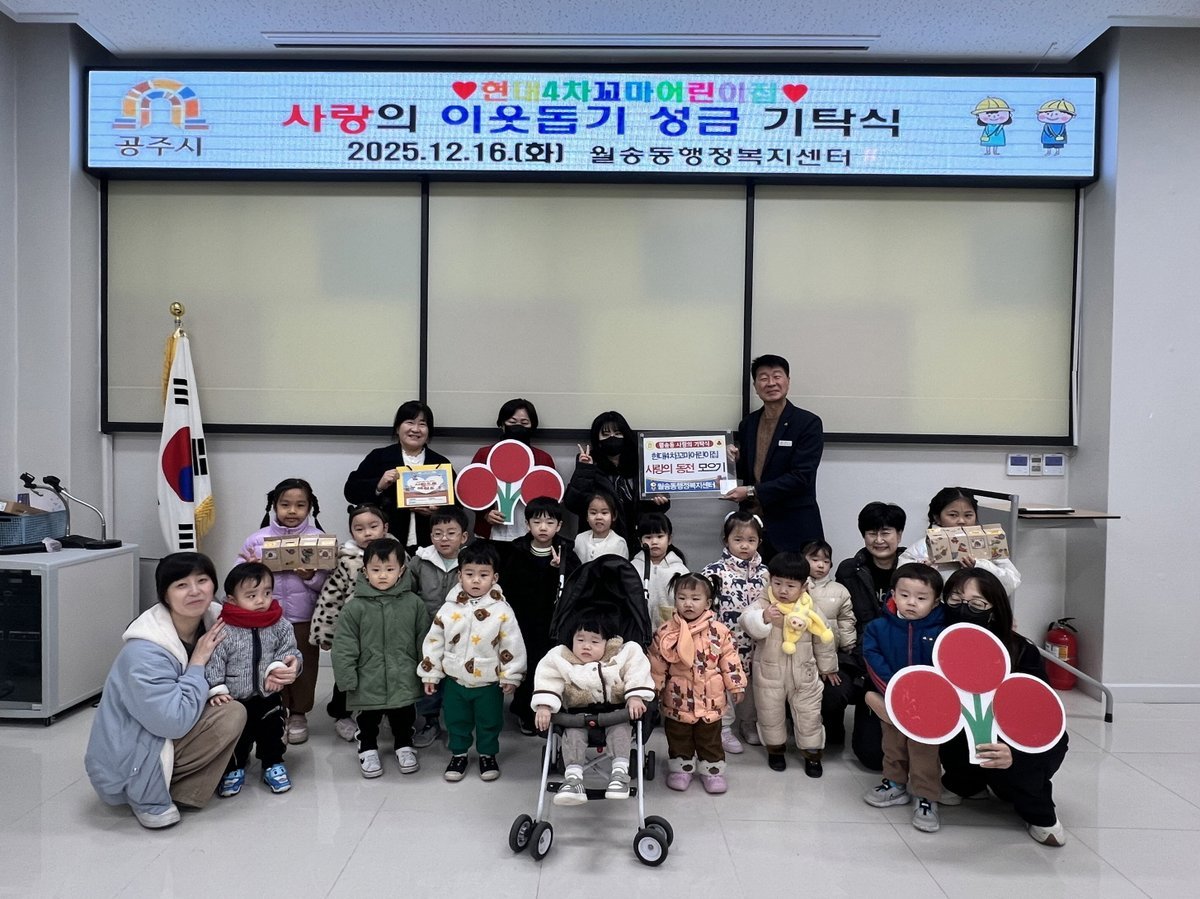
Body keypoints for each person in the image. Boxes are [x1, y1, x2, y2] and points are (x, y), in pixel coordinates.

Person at [85, 553, 250, 829]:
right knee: (229, 714)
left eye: (202, 580)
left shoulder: (215, 621)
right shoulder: (144, 652)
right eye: (181, 585)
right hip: (131, 757)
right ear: (165, 595)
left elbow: (258, 647)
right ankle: (146, 791)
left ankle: (181, 791)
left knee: (238, 704)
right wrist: (197, 662)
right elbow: (171, 722)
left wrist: (287, 664)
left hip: (170, 725)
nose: (195, 591)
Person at [939, 568, 1070, 846]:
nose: (963, 609)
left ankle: (1038, 811)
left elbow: (1041, 715)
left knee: (1018, 774)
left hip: (1014, 739)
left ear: (995, 610)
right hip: (963, 736)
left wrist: (1016, 752)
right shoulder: (938, 643)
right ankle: (965, 783)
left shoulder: (1021, 650)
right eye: (955, 600)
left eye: (977, 604)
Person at [418, 542, 527, 782]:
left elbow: (512, 644)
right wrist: (430, 672)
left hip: (488, 681)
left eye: (483, 575)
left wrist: (511, 675)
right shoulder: (449, 608)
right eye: (469, 574)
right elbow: (434, 641)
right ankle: (459, 754)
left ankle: (488, 754)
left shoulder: (502, 610)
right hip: (455, 679)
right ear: (460, 576)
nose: (476, 580)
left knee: (490, 721)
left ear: (494, 578)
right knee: (456, 719)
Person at [238, 477, 328, 745]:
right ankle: (274, 711)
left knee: (304, 666)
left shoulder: (318, 539)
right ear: (274, 506)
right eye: (285, 504)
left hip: (304, 617)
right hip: (266, 617)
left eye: (300, 505)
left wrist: (311, 576)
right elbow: (236, 578)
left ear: (310, 508)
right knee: (267, 664)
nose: (292, 511)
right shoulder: (257, 540)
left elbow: (330, 585)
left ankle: (298, 713)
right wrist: (251, 570)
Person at [332, 539, 430, 779]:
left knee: (404, 714)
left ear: (401, 570)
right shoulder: (354, 607)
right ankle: (367, 747)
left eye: (389, 569)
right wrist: (346, 678)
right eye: (376, 570)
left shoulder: (414, 604)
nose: (383, 575)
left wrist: (428, 672)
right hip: (368, 676)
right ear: (365, 571)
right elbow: (344, 646)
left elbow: (425, 641)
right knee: (368, 718)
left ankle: (404, 744)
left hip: (404, 673)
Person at [532, 617, 655, 804]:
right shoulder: (561, 659)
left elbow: (636, 671)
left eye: (595, 641)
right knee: (573, 735)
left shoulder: (621, 655)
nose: (586, 646)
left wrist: (635, 696)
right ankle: (573, 779)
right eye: (580, 640)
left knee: (620, 732)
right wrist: (544, 705)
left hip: (615, 714)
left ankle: (620, 773)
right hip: (576, 717)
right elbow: (548, 678)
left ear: (608, 643)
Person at [862, 563, 947, 833]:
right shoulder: (878, 628)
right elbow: (873, 659)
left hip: (929, 706)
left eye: (921, 598)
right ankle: (895, 784)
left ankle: (926, 796)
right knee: (893, 744)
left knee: (924, 752)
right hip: (892, 700)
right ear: (893, 594)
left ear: (936, 601)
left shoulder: (942, 629)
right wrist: (895, 690)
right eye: (905, 595)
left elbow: (947, 665)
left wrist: (929, 694)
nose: (911, 602)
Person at [205, 562, 301, 797]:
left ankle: (273, 763)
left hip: (269, 694)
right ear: (232, 599)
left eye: (267, 593)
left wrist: (278, 668)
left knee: (273, 730)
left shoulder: (279, 624)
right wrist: (217, 688)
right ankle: (234, 767)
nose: (261, 601)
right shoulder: (224, 629)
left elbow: (288, 650)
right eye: (251, 595)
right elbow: (214, 660)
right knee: (237, 736)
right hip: (235, 699)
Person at [741, 553, 837, 777]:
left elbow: (824, 638)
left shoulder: (809, 609)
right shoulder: (764, 604)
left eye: (790, 586)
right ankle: (775, 750)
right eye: (777, 583)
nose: (783, 590)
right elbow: (746, 622)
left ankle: (812, 753)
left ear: (803, 586)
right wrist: (763, 617)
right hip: (769, 673)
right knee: (770, 714)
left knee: (809, 715)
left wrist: (828, 667)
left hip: (805, 673)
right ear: (770, 580)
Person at [649, 573, 747, 794]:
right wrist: (654, 688)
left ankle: (712, 770)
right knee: (678, 736)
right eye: (682, 598)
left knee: (709, 738)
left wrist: (736, 684)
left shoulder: (719, 631)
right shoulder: (666, 632)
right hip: (678, 699)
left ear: (708, 603)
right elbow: (656, 663)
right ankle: (681, 768)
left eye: (695, 598)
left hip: (710, 699)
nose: (688, 603)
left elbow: (730, 659)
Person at [310, 503, 399, 742]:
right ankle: (341, 714)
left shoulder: (399, 555)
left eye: (373, 526)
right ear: (351, 532)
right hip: (354, 631)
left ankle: (386, 710)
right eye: (359, 529)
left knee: (385, 672)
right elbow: (331, 597)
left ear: (385, 527)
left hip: (388, 630)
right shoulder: (346, 560)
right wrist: (326, 633)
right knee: (348, 672)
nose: (367, 533)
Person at [724, 354, 823, 559]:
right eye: (763, 378)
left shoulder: (807, 423)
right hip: (753, 525)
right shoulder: (748, 423)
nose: (771, 383)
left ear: (788, 381)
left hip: (793, 525)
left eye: (777, 376)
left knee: (793, 579)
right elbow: (751, 472)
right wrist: (734, 460)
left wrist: (750, 491)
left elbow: (801, 477)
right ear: (755, 386)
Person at [496, 497, 581, 735]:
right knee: (527, 665)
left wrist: (561, 568)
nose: (543, 528)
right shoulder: (516, 549)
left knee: (551, 667)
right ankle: (525, 712)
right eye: (537, 522)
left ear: (559, 526)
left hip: (554, 622)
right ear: (527, 524)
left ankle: (551, 711)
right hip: (522, 620)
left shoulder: (566, 551)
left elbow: (578, 583)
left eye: (550, 522)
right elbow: (506, 585)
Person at [835, 500, 909, 770]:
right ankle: (832, 730)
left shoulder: (913, 570)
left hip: (902, 659)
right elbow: (840, 616)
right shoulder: (848, 570)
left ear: (899, 534)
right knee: (871, 757)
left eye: (886, 532)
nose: (879, 540)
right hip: (859, 658)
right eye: (871, 533)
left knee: (879, 756)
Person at [344, 400, 454, 555]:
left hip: (430, 543)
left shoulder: (440, 463)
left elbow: (457, 506)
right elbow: (351, 492)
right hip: (386, 543)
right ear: (397, 428)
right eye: (410, 422)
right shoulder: (379, 457)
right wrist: (378, 485)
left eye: (422, 424)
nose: (415, 429)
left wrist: (437, 511)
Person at [701, 511, 768, 755]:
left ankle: (748, 722)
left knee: (751, 686)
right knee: (724, 685)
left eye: (751, 540)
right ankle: (724, 726)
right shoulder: (713, 572)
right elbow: (705, 607)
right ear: (726, 539)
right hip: (724, 644)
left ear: (759, 541)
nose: (744, 545)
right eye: (738, 539)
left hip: (757, 643)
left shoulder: (766, 574)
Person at [409, 505, 472, 747]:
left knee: (457, 680)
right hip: (428, 633)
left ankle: (457, 725)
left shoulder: (470, 562)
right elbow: (409, 591)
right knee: (429, 676)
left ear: (463, 537)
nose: (444, 538)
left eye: (451, 533)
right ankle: (430, 721)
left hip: (462, 635)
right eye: (437, 533)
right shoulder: (420, 560)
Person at [566, 410, 669, 546]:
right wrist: (585, 469)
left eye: (618, 433)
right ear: (597, 439)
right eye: (606, 434)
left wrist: (659, 502)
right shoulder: (590, 462)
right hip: (600, 540)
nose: (612, 438)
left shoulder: (642, 462)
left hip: (638, 539)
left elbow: (654, 507)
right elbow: (573, 504)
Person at [899, 487, 1021, 595]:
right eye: (953, 515)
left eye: (968, 515)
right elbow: (901, 585)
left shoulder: (989, 544)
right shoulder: (921, 548)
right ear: (937, 518)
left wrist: (979, 565)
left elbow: (1012, 582)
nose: (962, 521)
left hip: (978, 609)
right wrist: (924, 571)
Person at [468, 398, 557, 542]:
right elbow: (471, 491)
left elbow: (551, 498)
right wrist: (485, 513)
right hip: (490, 534)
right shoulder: (484, 454)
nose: (518, 427)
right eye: (512, 422)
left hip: (530, 536)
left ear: (533, 426)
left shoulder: (543, 458)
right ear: (502, 424)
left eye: (524, 423)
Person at [802, 539, 857, 745]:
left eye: (826, 561)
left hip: (830, 653)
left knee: (832, 691)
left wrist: (848, 642)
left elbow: (846, 619)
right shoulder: (797, 587)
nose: (820, 565)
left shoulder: (840, 590)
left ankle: (833, 730)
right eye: (815, 559)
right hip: (802, 653)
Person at [630, 511, 688, 627]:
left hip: (672, 631)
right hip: (639, 630)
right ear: (640, 541)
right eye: (648, 537)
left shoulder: (680, 570)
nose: (654, 542)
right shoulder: (633, 568)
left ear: (669, 539)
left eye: (660, 536)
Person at [572, 490, 629, 562]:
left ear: (614, 516)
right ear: (587, 516)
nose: (598, 517)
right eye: (593, 513)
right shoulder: (580, 539)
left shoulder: (619, 543)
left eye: (604, 513)